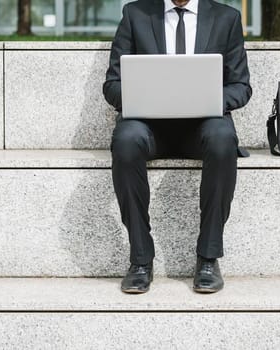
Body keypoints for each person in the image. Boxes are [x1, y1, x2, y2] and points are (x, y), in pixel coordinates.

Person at [103, 0, 252, 294]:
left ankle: (208, 258)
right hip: (149, 127)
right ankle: (140, 259)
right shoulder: (135, 14)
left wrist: (209, 99)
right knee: (125, 140)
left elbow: (241, 85)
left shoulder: (227, 18)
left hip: (202, 128)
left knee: (223, 138)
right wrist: (139, 97)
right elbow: (112, 83)